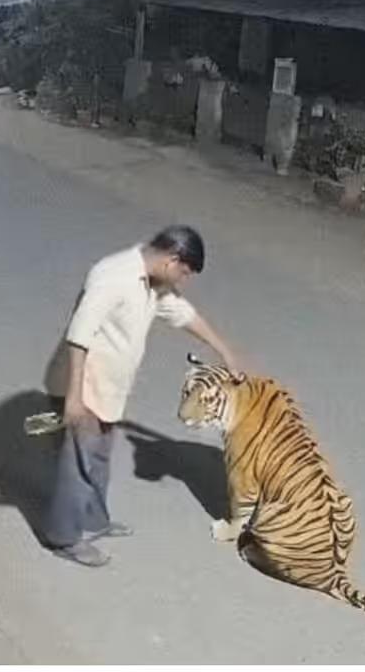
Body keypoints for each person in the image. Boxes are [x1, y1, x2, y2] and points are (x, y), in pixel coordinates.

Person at [41, 225, 242, 567]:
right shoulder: (113, 276)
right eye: (184, 273)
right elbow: (79, 335)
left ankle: (93, 521)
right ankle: (65, 538)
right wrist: (74, 397)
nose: (183, 281)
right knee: (79, 464)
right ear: (172, 260)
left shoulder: (153, 281)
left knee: (99, 457)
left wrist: (225, 351)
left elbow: (183, 314)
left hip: (109, 390)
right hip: (85, 385)